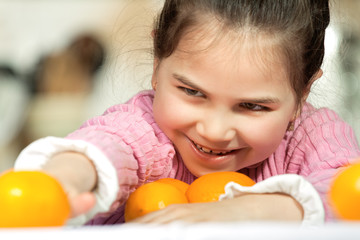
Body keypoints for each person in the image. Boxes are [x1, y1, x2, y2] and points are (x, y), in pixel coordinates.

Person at [14, 0, 360, 226]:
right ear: (156, 65)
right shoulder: (147, 126)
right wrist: (64, 178)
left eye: (253, 106)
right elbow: (109, 145)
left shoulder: (312, 137)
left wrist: (254, 210)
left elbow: (345, 192)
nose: (214, 130)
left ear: (303, 94)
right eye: (192, 92)